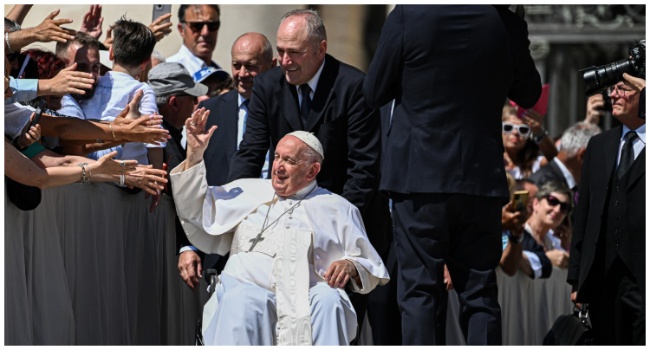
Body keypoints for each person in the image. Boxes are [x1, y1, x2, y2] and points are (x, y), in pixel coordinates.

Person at [363, 5, 542, 345]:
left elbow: (373, 92)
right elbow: (529, 92)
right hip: (479, 180)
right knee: (480, 295)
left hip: (418, 180)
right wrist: (517, 29)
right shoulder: (504, 22)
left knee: (419, 293)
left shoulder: (408, 16)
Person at [227, 10, 389, 340]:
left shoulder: (353, 87)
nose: (284, 60)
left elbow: (363, 171)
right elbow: (251, 153)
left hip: (340, 235)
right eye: (281, 50)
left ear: (320, 48)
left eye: (294, 52)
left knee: (333, 325)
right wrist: (233, 211)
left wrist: (329, 227)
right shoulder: (268, 85)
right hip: (280, 231)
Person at [170, 111, 390, 345]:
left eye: (289, 161)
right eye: (277, 157)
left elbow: (368, 263)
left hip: (308, 294)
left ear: (312, 171)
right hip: (247, 287)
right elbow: (196, 208)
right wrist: (194, 155)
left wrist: (350, 266)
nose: (278, 167)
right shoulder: (248, 190)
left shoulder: (339, 208)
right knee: (245, 300)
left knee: (330, 300)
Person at [176, 32, 276, 292]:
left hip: (277, 234)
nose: (242, 73)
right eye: (236, 65)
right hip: (221, 243)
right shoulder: (211, 112)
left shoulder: (286, 109)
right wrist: (188, 245)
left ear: (271, 66)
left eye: (251, 66)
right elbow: (190, 180)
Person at [568, 76, 646, 345]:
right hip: (602, 278)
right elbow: (584, 214)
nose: (613, 95)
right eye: (612, 89)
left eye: (623, 89)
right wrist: (577, 277)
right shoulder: (599, 145)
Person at [529, 122, 601, 203]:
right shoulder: (545, 182)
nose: (601, 164)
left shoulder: (570, 183)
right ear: (582, 155)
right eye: (599, 156)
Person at [502, 104, 556, 179]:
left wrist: (538, 131)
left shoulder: (536, 164)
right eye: (508, 127)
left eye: (523, 129)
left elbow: (557, 162)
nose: (515, 132)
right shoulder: (489, 161)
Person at [167, 5, 223, 76]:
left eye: (212, 25)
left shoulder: (221, 75)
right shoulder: (168, 72)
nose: (205, 32)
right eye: (197, 26)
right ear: (181, 30)